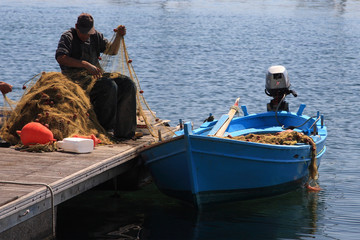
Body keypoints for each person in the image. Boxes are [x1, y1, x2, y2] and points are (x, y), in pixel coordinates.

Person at [55, 13, 140, 140]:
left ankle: (125, 132)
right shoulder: (68, 37)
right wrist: (84, 64)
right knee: (108, 86)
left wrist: (119, 36)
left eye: (88, 32)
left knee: (127, 84)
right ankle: (103, 130)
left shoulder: (96, 36)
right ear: (76, 26)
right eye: (83, 32)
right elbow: (61, 58)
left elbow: (112, 51)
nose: (86, 36)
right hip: (75, 80)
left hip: (94, 77)